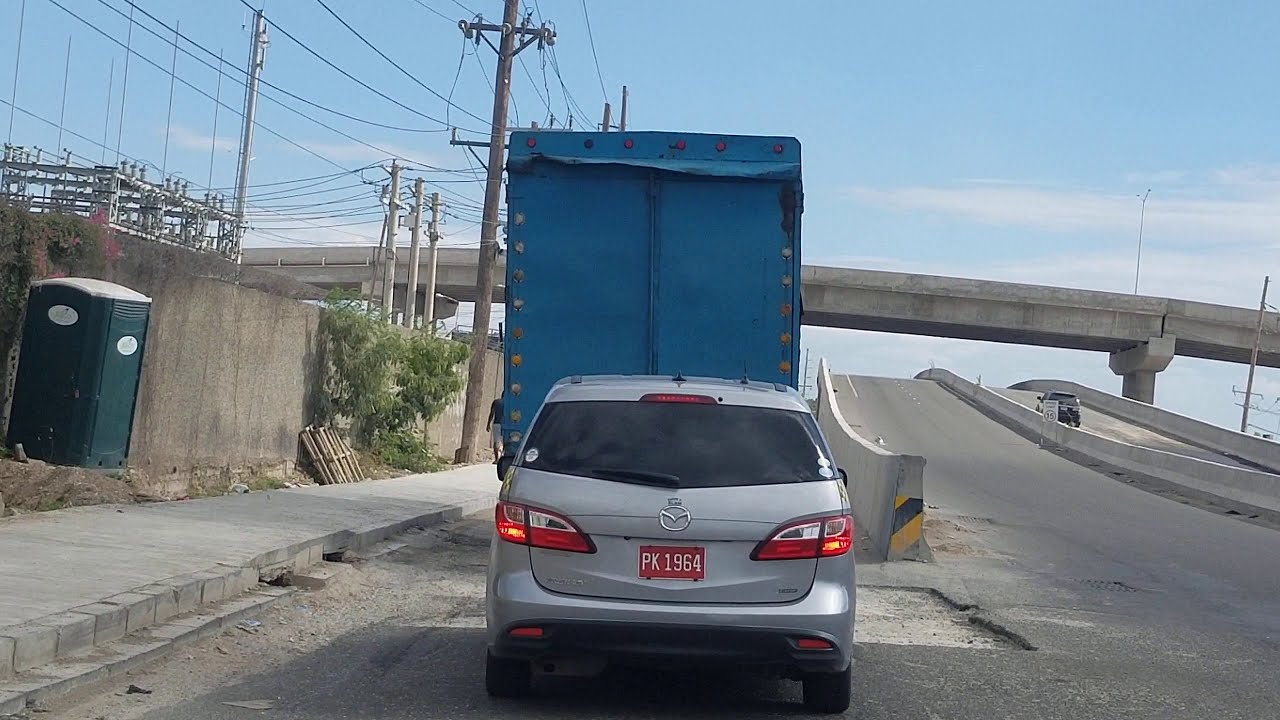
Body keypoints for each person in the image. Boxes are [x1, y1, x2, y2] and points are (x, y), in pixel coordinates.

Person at [487, 396, 504, 463]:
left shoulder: (496, 402)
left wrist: (488, 424)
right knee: (505, 441)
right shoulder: (509, 402)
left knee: (496, 442)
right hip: (505, 424)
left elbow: (492, 413)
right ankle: (503, 457)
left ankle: (497, 459)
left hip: (496, 423)